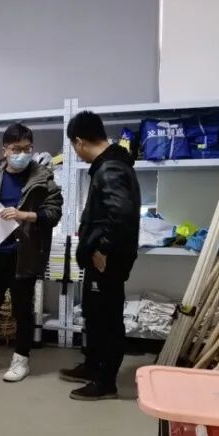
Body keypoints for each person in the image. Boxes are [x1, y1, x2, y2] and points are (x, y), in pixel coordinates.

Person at [0, 123, 63, 382]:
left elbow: (53, 213)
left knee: (22, 309)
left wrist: (23, 215)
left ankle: (21, 359)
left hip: (24, 252)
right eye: (16, 149)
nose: (22, 154)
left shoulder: (42, 178)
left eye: (28, 148)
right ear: (4, 150)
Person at [60, 111, 140, 400]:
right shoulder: (111, 164)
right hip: (102, 255)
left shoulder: (110, 169)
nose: (76, 152)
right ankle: (93, 366)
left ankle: (106, 382)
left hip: (107, 258)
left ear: (79, 142)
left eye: (74, 146)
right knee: (94, 314)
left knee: (107, 318)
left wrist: (103, 248)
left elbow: (121, 214)